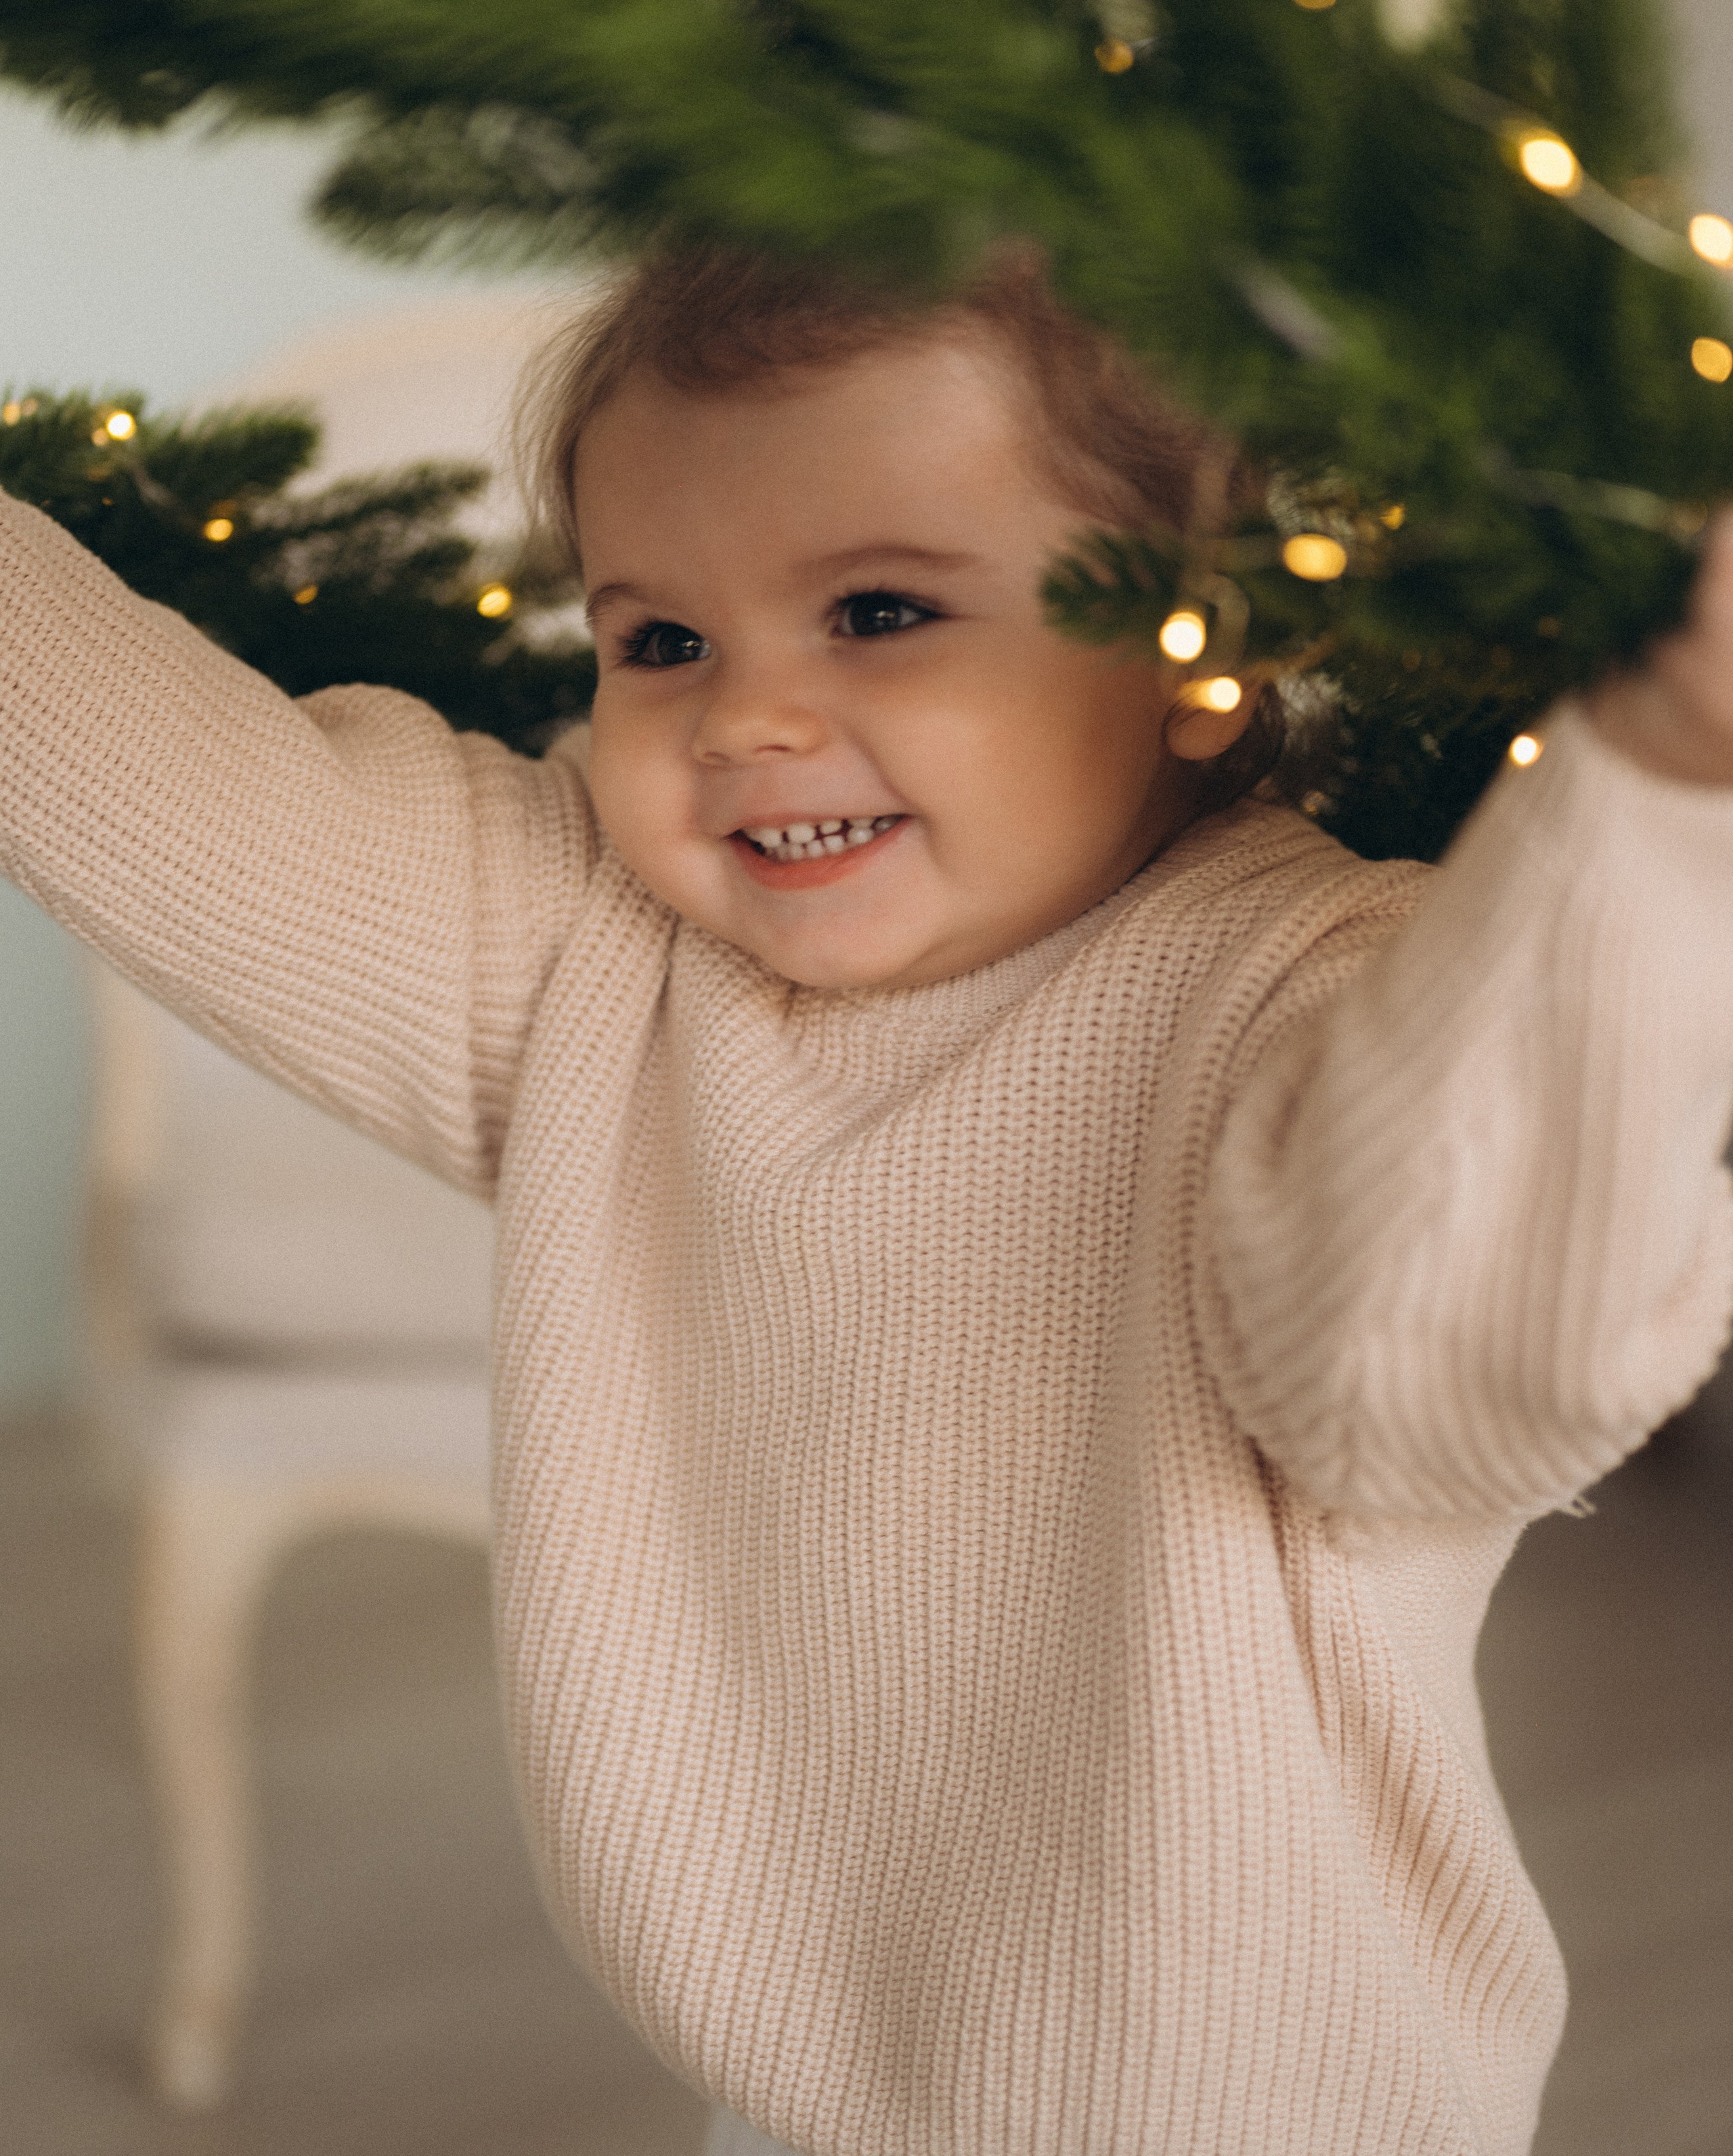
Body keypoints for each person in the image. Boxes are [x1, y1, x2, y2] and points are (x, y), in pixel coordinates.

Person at [4, 244, 1732, 2156]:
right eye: (659, 639)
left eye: (882, 609)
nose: (743, 718)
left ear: (1203, 654)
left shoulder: (1312, 999)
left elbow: (1443, 1356)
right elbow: (176, 788)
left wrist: (1650, 792)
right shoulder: (604, 963)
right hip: (806, 2095)